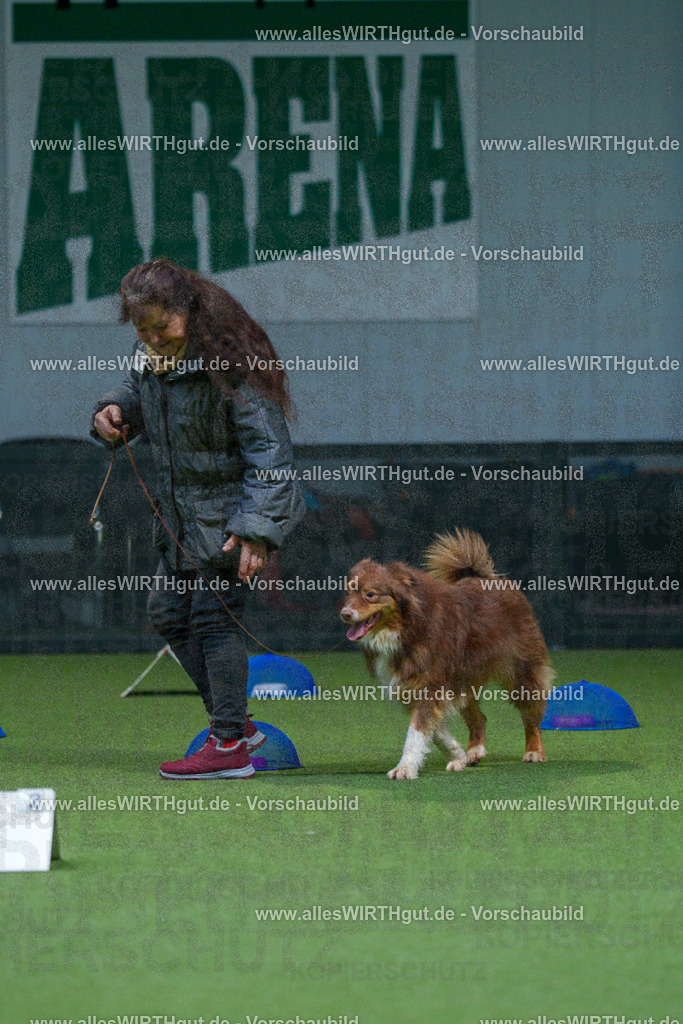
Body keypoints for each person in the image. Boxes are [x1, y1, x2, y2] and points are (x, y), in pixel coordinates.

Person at [91, 258, 304, 780]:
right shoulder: (153, 356)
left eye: (162, 328)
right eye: (142, 331)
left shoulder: (232, 361)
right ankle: (238, 728)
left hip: (233, 516)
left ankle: (230, 744)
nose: (153, 340)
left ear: (189, 311)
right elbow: (139, 394)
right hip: (180, 517)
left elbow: (271, 451)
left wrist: (257, 528)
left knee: (212, 620)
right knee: (167, 612)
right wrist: (114, 411)